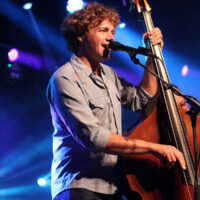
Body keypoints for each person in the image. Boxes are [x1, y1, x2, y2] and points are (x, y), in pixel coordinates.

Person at [46, 3, 186, 200]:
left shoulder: (108, 75)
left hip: (114, 187)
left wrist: (152, 56)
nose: (111, 37)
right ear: (81, 36)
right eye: (103, 30)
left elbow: (140, 100)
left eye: (112, 31)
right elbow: (94, 137)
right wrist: (155, 148)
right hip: (80, 187)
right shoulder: (65, 78)